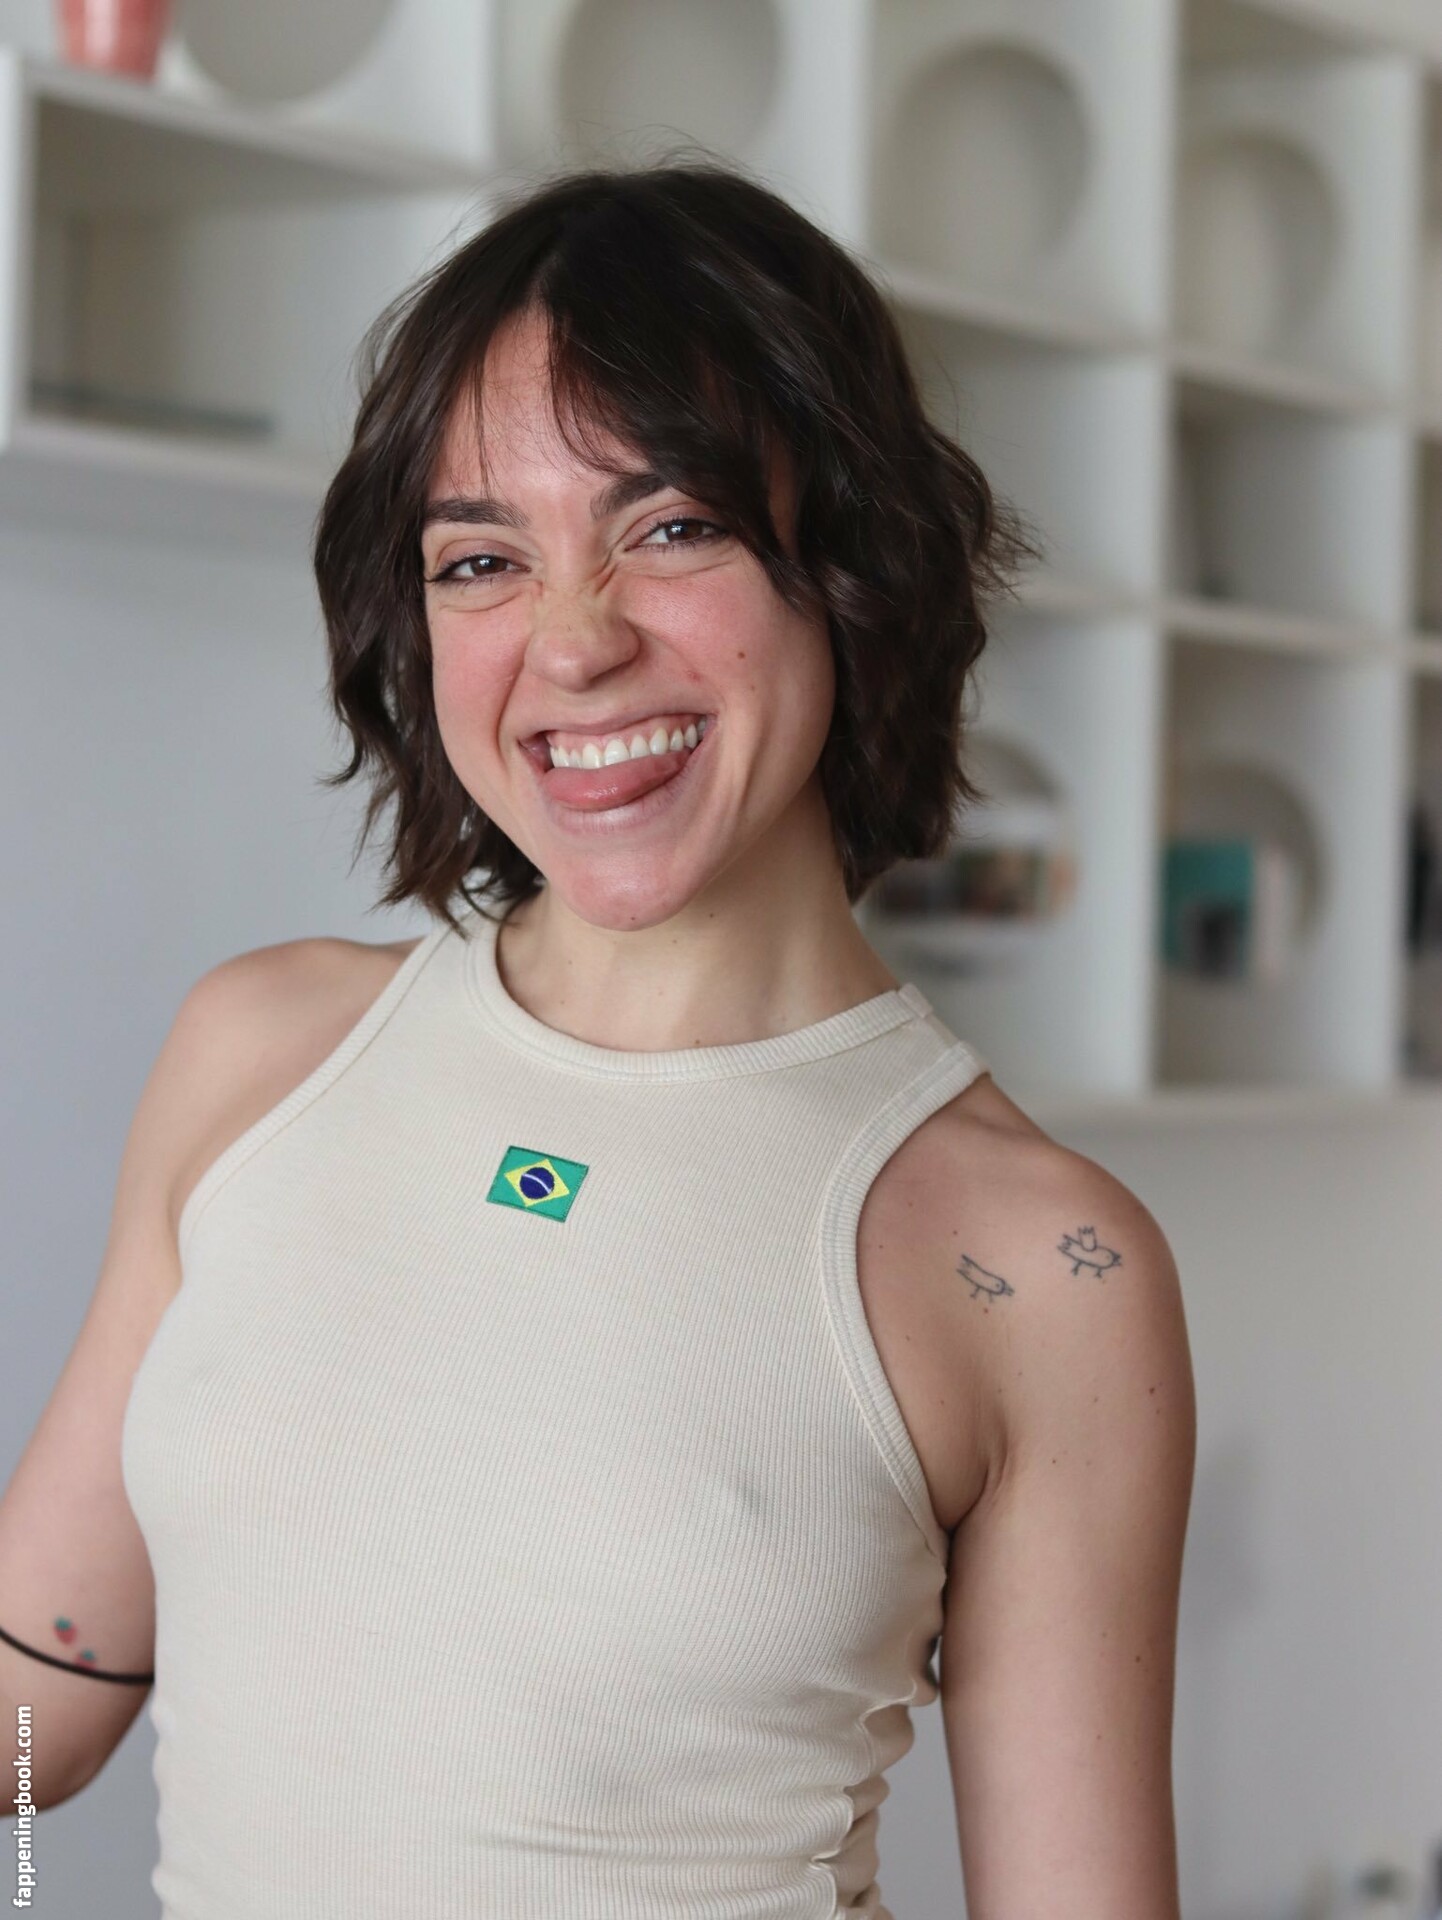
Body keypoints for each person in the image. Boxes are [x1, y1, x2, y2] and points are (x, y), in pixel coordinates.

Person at [0, 159, 1196, 1917]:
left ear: (850, 561)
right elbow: (41, 1707)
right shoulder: (261, 1055)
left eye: (672, 527)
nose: (572, 642)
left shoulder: (1034, 1262)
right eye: (482, 559)